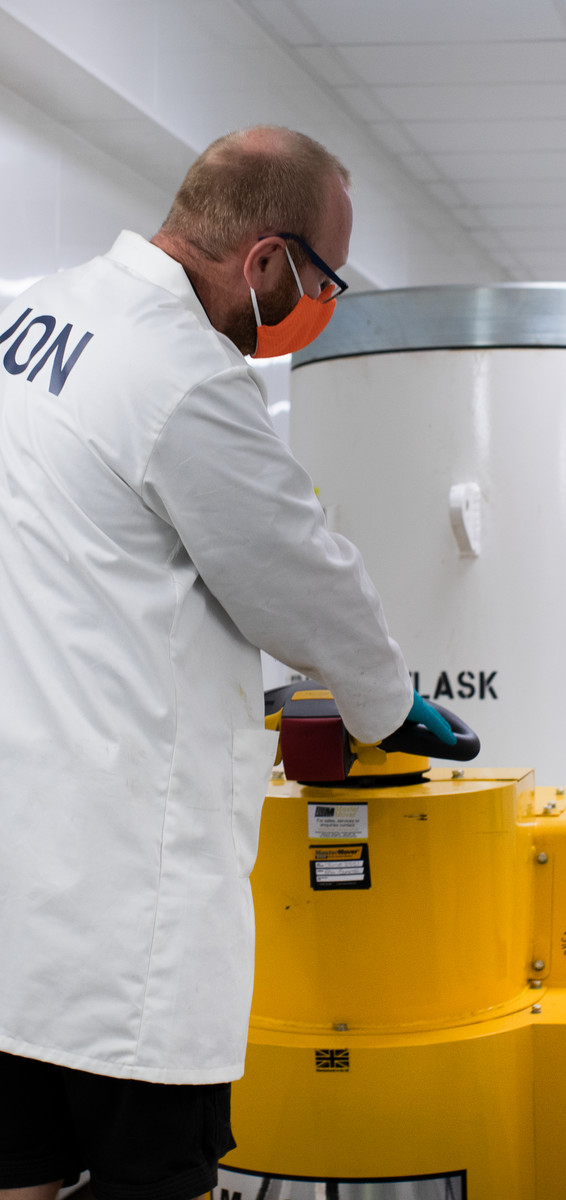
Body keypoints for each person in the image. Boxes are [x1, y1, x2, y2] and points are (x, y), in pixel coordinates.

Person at [0, 126, 452, 1200]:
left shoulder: (29, 316)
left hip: (19, 888)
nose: (322, 303)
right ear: (265, 260)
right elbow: (299, 576)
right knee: (156, 1176)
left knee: (16, 1171)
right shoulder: (184, 373)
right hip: (125, 902)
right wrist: (387, 704)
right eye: (323, 280)